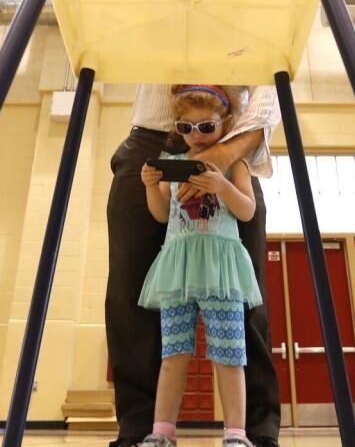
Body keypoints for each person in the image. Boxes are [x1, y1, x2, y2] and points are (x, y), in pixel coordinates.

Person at [106, 84, 280, 447]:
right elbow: (158, 211)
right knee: (131, 293)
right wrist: (154, 186)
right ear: (179, 127)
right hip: (152, 137)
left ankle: (247, 430)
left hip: (234, 141)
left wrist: (227, 153)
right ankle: (149, 429)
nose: (195, 136)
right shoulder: (173, 145)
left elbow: (269, 87)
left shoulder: (234, 161)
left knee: (247, 314)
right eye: (188, 129)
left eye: (201, 129)